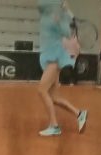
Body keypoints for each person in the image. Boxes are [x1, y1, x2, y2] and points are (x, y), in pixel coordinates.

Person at [37, 1, 88, 137]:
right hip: (49, 57)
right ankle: (79, 114)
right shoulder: (47, 15)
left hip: (55, 58)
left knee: (42, 90)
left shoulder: (58, 17)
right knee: (54, 97)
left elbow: (67, 33)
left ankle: (54, 126)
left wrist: (63, 16)